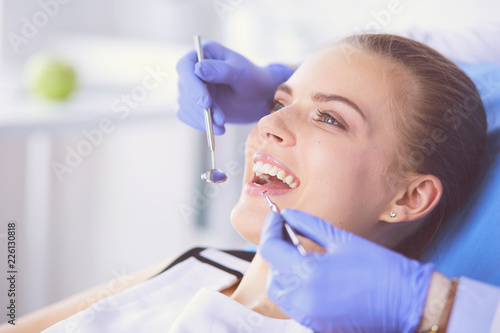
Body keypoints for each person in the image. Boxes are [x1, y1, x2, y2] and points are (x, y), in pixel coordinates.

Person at [4, 33, 488, 332]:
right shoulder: (197, 264)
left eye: (329, 118)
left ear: (408, 196)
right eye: (280, 102)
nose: (265, 127)